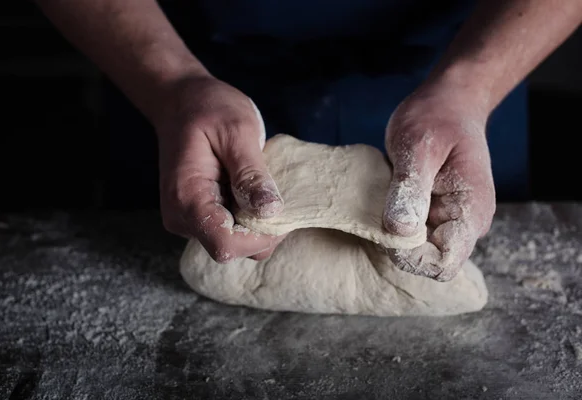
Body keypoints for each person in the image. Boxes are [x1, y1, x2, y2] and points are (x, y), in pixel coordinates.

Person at [35, 0, 582, 281]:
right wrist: (171, 85)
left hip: (461, 64)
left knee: (443, 245)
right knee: (187, 242)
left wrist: (471, 88)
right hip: (184, 68)